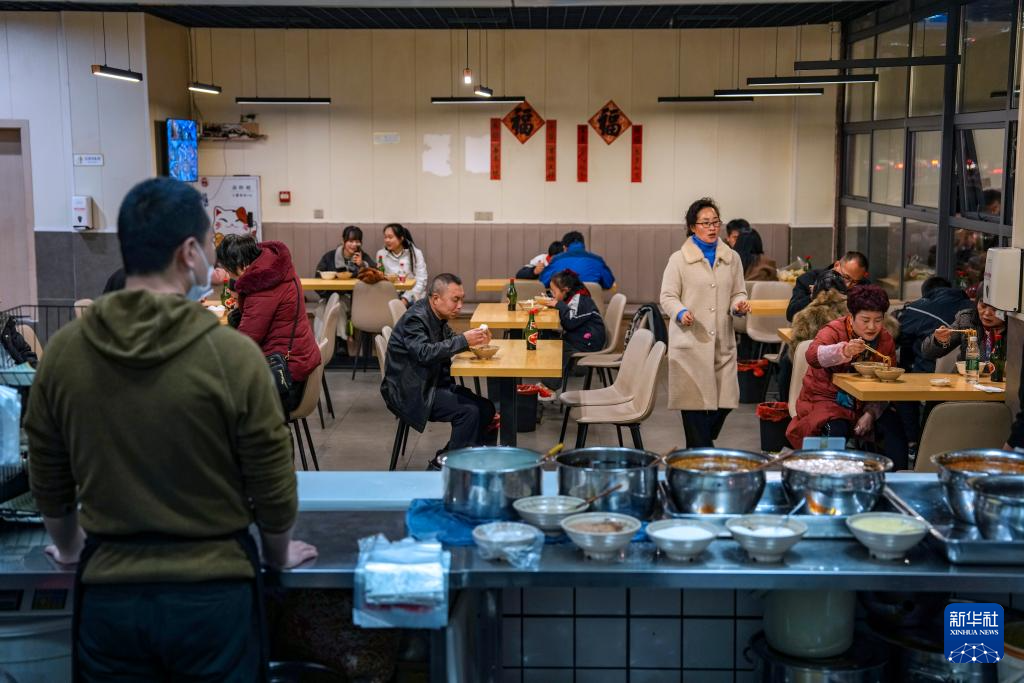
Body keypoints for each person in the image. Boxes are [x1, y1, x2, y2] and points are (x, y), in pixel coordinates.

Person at [23, 177, 316, 682]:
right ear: (188, 253)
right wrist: (277, 552)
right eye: (208, 246)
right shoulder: (233, 357)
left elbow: (47, 472)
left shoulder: (66, 353)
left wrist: (70, 548)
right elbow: (271, 479)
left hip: (109, 596)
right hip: (215, 595)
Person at [659, 197, 750, 448]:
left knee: (725, 402)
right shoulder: (678, 259)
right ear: (692, 227)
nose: (712, 228)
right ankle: (700, 455)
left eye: (715, 222)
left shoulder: (732, 258)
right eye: (705, 223)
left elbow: (738, 292)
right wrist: (680, 312)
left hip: (722, 342)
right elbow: (667, 296)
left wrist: (738, 304)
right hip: (690, 344)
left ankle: (699, 449)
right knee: (693, 407)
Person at [786, 285, 909, 469]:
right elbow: (812, 356)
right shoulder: (834, 330)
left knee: (895, 428)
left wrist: (870, 413)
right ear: (851, 317)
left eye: (878, 320)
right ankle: (832, 477)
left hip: (866, 402)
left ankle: (896, 479)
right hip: (826, 399)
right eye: (865, 320)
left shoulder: (885, 339)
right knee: (836, 428)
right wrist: (844, 350)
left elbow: (886, 383)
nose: (872, 327)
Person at [381, 273, 495, 470]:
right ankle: (446, 469)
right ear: (435, 299)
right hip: (412, 392)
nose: (460, 306)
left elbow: (449, 340)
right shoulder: (415, 319)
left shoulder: (437, 315)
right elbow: (424, 353)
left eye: (462, 299)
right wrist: (464, 341)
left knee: (486, 408)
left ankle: (455, 460)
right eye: (455, 300)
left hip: (431, 383)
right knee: (469, 412)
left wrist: (473, 340)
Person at [217, 234, 321, 413]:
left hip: (285, 379)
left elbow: (246, 342)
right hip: (298, 363)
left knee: (220, 399)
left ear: (240, 264)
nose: (228, 273)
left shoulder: (262, 285)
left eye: (227, 268)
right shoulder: (275, 267)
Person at [536, 269, 606, 391]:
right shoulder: (572, 297)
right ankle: (545, 376)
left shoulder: (581, 299)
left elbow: (570, 322)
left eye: (554, 291)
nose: (552, 294)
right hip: (581, 336)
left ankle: (548, 388)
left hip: (590, 341)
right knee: (548, 338)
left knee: (558, 347)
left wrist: (558, 304)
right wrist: (555, 302)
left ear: (566, 290)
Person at [894, 277, 972, 373]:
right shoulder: (971, 308)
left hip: (926, 369)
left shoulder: (918, 307)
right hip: (962, 369)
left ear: (926, 294)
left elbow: (899, 336)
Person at [314, 225, 374, 344]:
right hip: (327, 297)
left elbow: (375, 274)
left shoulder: (362, 257)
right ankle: (319, 345)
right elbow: (318, 278)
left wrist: (362, 264)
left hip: (353, 300)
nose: (354, 245)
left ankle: (339, 343)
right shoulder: (329, 257)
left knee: (339, 305)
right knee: (321, 310)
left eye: (357, 241)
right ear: (343, 240)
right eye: (350, 241)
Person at [921, 285, 1006, 365]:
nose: (987, 313)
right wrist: (938, 340)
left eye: (995, 309)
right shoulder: (967, 320)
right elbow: (928, 353)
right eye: (983, 306)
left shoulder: (1013, 329)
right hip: (966, 374)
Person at [786, 251, 870, 321]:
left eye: (854, 282)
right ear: (836, 265)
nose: (847, 285)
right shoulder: (809, 278)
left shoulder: (864, 286)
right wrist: (813, 296)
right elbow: (790, 315)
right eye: (846, 277)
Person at [539, 231, 615, 290]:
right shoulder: (598, 260)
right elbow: (609, 283)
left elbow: (543, 282)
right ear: (583, 246)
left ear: (564, 248)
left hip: (563, 305)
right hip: (593, 305)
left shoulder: (557, 260)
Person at [376, 223, 428, 306]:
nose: (387, 240)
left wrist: (406, 298)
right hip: (390, 295)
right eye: (385, 237)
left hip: (413, 295)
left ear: (401, 238)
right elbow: (381, 277)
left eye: (390, 237)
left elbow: (421, 279)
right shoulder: (381, 254)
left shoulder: (415, 253)